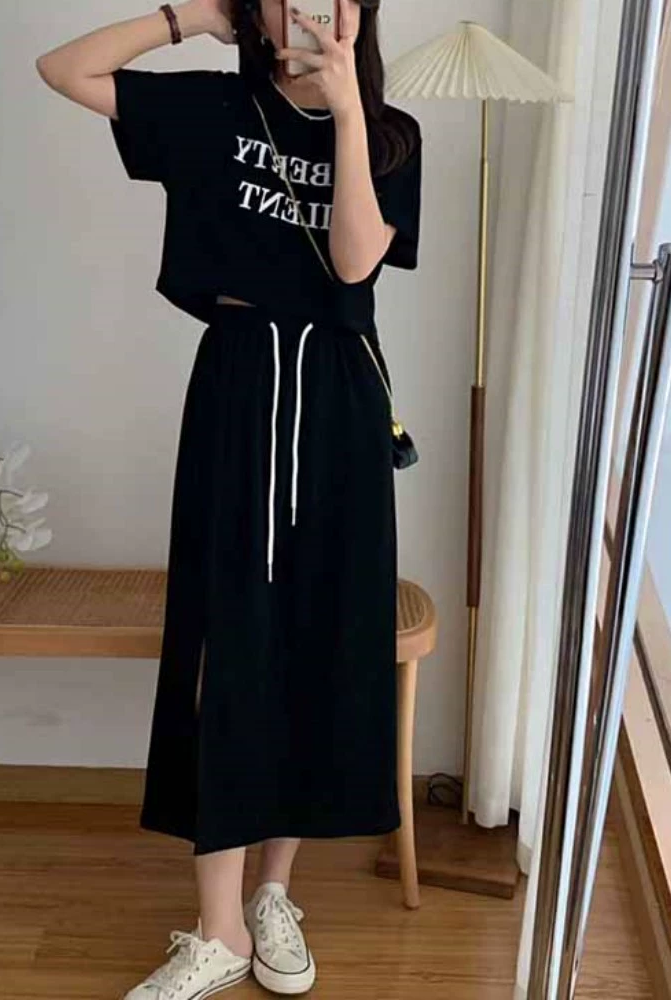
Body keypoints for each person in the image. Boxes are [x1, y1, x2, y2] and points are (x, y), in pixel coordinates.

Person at [36, 1, 422, 996]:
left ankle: (272, 893)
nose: (308, 8)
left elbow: (354, 260)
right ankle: (218, 929)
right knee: (227, 635)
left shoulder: (389, 135)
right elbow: (64, 69)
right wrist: (190, 16)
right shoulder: (215, 107)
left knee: (312, 634)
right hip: (242, 384)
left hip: (337, 400)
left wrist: (345, 108)